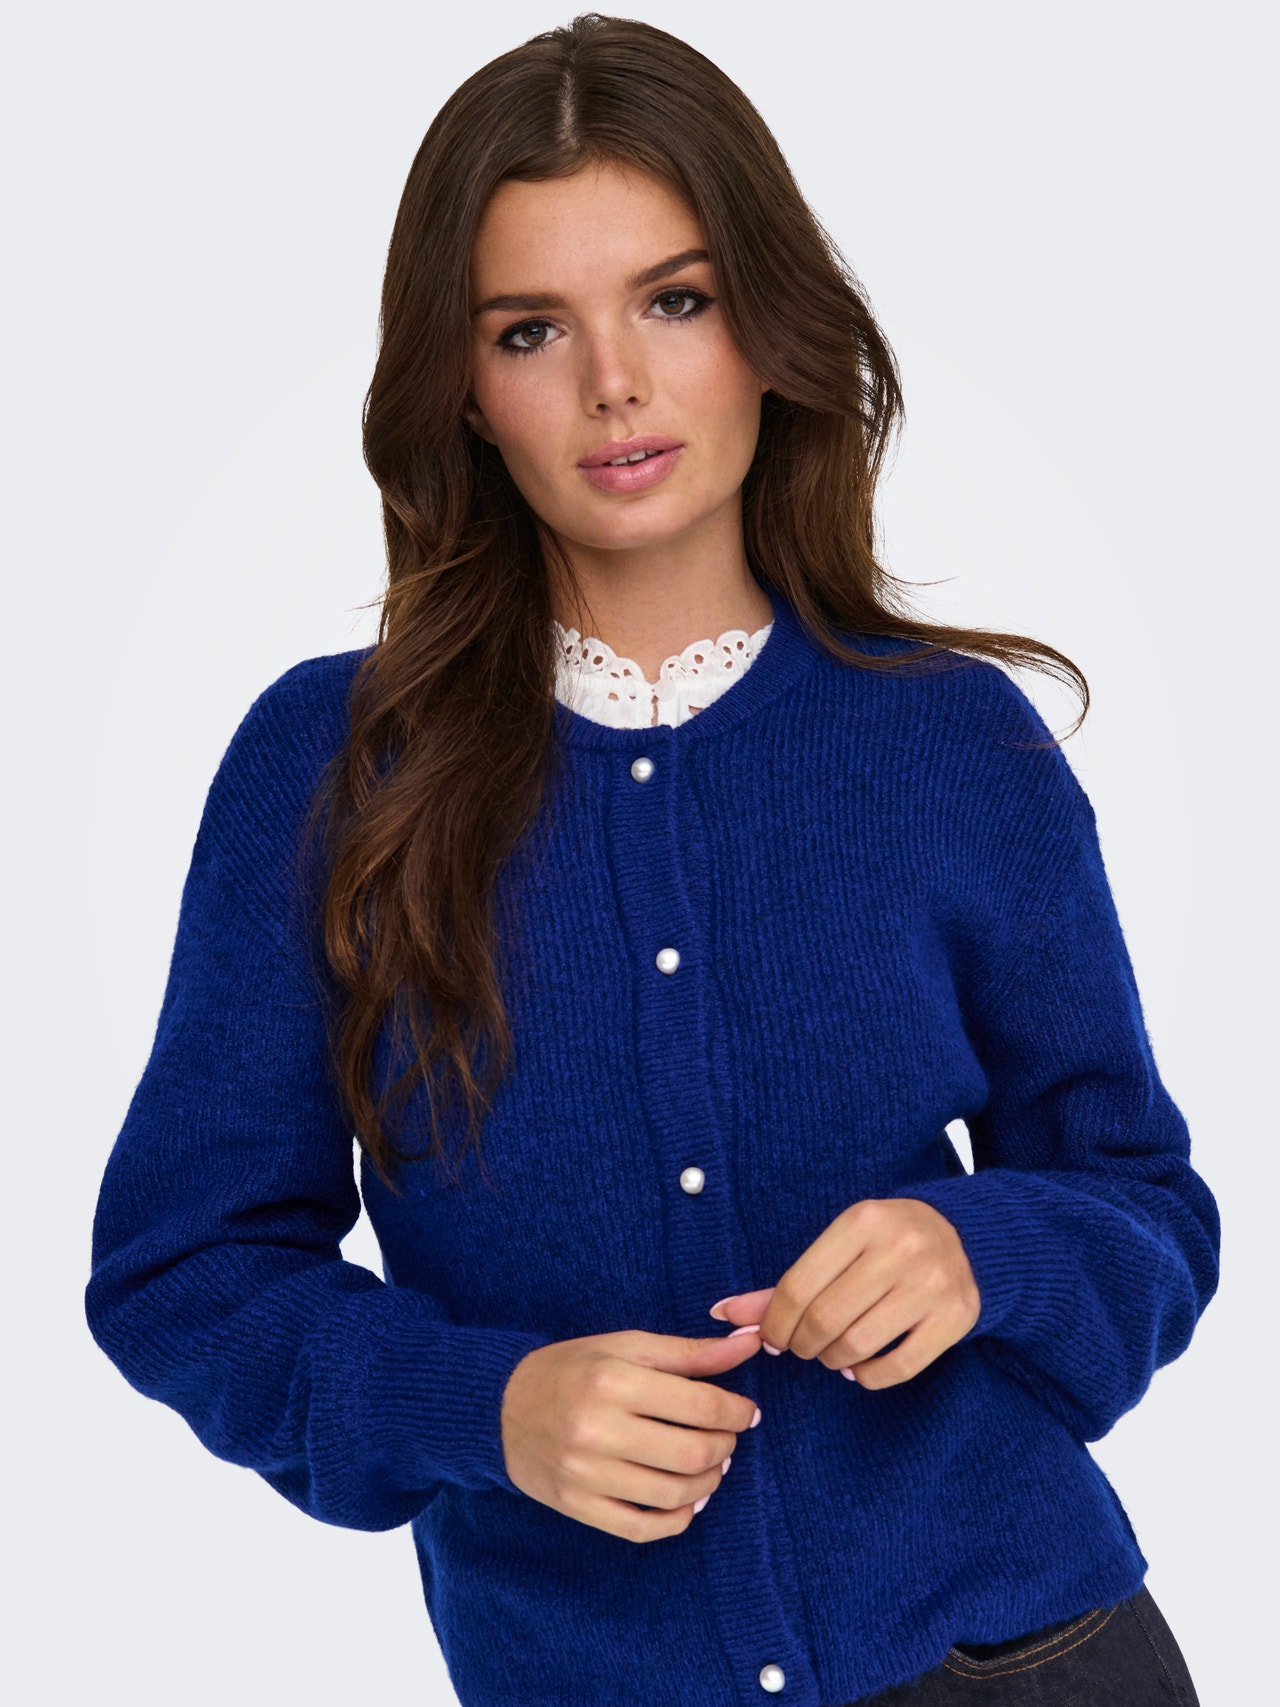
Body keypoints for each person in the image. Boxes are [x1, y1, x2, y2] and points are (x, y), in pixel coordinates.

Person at [85, 14, 1218, 1706]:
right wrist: (485, 1408)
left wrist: (987, 1252)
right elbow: (186, 1274)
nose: (612, 382)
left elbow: (1146, 1210)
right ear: (465, 391)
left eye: (674, 301)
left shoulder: (951, 743)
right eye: (532, 329)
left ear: (766, 326)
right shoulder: (331, 769)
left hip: (1033, 1656)